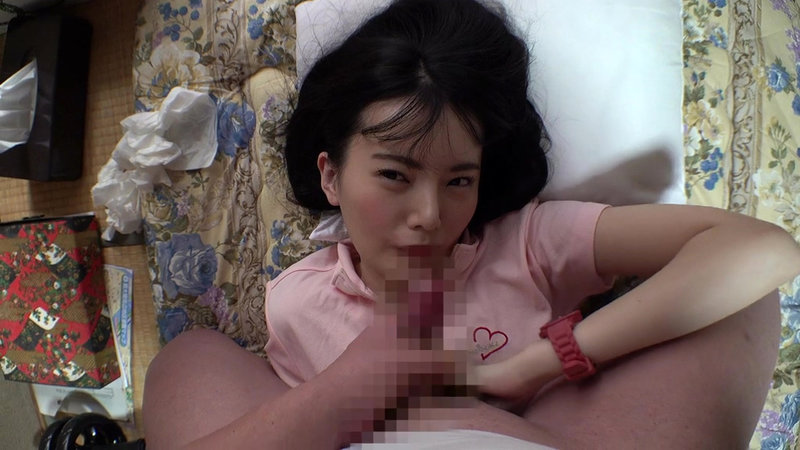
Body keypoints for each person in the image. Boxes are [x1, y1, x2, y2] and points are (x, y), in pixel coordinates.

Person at [142, 0, 800, 448]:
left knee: (737, 303)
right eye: (395, 175)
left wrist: (536, 365)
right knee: (186, 356)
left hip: (553, 428)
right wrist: (358, 385)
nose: (431, 216)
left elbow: (762, 250)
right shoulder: (296, 302)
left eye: (459, 181)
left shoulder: (527, 244)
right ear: (331, 176)